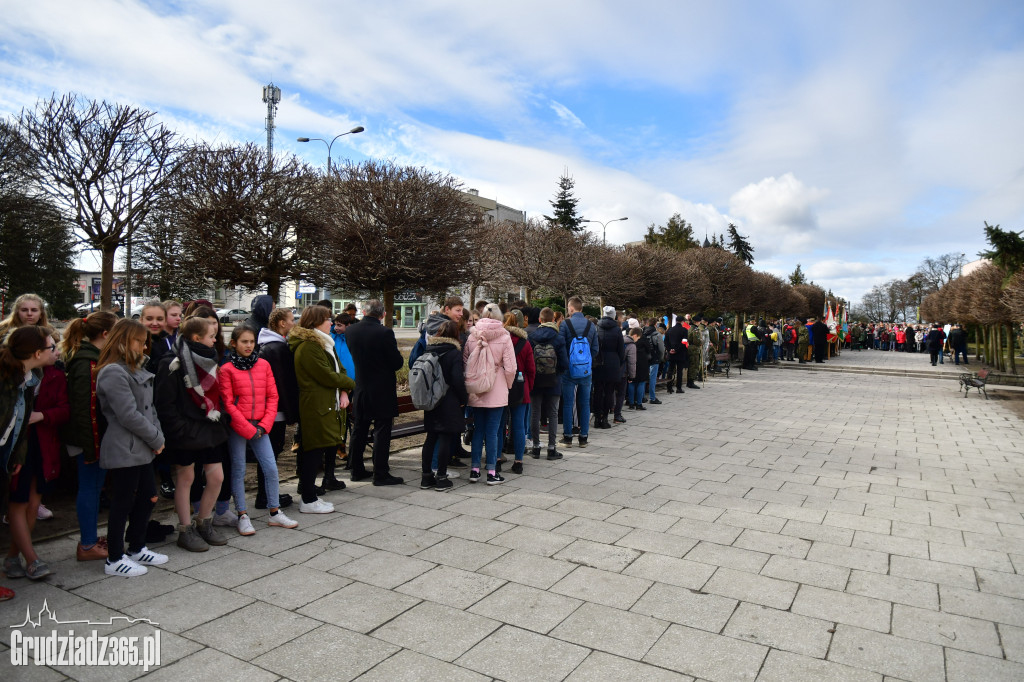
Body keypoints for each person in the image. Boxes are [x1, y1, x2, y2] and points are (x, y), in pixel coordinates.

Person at [92, 320, 167, 577]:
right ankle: (114, 558)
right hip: (124, 447)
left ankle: (136, 546)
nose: (144, 346)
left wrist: (157, 437)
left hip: (142, 446)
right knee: (122, 502)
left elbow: (150, 409)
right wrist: (156, 439)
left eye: (145, 341)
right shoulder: (113, 372)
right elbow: (128, 415)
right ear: (123, 340)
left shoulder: (135, 368)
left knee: (148, 496)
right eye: (138, 340)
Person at [156, 315, 231, 552]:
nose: (215, 340)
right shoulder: (172, 363)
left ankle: (204, 522)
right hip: (185, 432)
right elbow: (165, 404)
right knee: (186, 479)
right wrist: (181, 429)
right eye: (211, 336)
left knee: (216, 477)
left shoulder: (210, 359)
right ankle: (185, 529)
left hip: (209, 428)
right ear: (196, 338)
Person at [220, 326, 297, 533]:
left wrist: (264, 425)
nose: (248, 345)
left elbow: (273, 396)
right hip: (239, 426)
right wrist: (247, 428)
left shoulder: (263, 365)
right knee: (239, 469)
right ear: (234, 343)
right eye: (244, 341)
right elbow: (228, 404)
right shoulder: (227, 369)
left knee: (270, 467)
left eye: (252, 341)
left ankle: (274, 512)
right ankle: (242, 514)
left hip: (261, 426)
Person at [4, 326, 66, 582]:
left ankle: (16, 557)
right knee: (16, 503)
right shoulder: (9, 379)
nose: (58, 351)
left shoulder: (35, 377)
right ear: (37, 352)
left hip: (31, 448)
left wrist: (42, 416)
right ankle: (29, 559)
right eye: (53, 347)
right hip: (11, 451)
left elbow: (63, 409)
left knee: (30, 503)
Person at [61, 311, 118, 561]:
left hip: (93, 439)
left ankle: (90, 539)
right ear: (106, 334)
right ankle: (86, 545)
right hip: (89, 440)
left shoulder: (93, 358)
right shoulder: (88, 363)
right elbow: (86, 410)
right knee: (90, 488)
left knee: (93, 488)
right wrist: (92, 447)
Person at [289, 305, 356, 511]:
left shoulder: (324, 343)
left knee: (320, 448)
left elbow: (340, 368)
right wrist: (351, 384)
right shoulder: (310, 345)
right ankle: (308, 498)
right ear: (316, 321)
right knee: (313, 450)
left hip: (327, 402)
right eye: (328, 319)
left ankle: (311, 495)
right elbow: (326, 375)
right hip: (316, 405)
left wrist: (344, 390)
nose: (331, 323)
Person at [345, 300, 405, 486]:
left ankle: (356, 469)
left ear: (363, 311)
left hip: (361, 386)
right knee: (382, 430)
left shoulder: (351, 331)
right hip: (382, 389)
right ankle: (380, 473)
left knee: (359, 429)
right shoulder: (385, 332)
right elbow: (396, 363)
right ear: (383, 315)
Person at [463, 303, 516, 484]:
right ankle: (492, 471)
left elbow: (466, 362)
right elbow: (511, 367)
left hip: (477, 388)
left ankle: (475, 469)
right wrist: (506, 385)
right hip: (497, 386)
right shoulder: (504, 335)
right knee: (493, 432)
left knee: (478, 430)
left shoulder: (473, 335)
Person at [419, 320, 468, 490]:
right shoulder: (453, 353)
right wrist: (464, 399)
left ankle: (426, 477)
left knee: (431, 438)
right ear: (455, 335)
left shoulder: (429, 349)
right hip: (448, 400)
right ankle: (441, 476)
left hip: (431, 400)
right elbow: (457, 379)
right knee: (445, 438)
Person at [256, 307, 297, 510]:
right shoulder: (278, 348)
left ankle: (266, 494)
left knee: (270, 452)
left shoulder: (268, 345)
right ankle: (266, 496)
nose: (293, 323)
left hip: (269, 409)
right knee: (271, 451)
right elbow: (284, 383)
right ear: (281, 323)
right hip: (276, 410)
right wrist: (291, 412)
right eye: (291, 320)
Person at [559, 297, 599, 448]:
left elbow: (561, 347)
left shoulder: (565, 324)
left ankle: (568, 437)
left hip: (569, 370)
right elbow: (595, 349)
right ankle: (583, 438)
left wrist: (568, 363)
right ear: (581, 308)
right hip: (586, 370)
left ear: (571, 308)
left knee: (568, 404)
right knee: (585, 404)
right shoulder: (591, 325)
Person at [501, 312, 535, 474]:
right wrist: (529, 387)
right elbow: (531, 369)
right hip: (521, 387)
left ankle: (498, 457)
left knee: (500, 424)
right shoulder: (525, 343)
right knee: (519, 425)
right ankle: (518, 461)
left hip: (501, 387)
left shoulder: (500, 340)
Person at [593, 306, 624, 428]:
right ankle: (605, 418)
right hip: (612, 363)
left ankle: (597, 418)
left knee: (598, 391)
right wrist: (619, 362)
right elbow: (621, 350)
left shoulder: (596, 327)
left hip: (598, 362)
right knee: (609, 392)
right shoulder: (616, 330)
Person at [628, 325, 650, 410]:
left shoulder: (628, 341)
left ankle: (631, 403)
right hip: (642, 362)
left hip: (630, 362)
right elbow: (649, 349)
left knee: (631, 382)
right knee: (641, 382)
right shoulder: (644, 339)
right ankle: (639, 403)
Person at [643, 319, 664, 404]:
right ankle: (652, 397)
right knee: (652, 378)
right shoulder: (657, 334)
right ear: (656, 324)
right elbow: (661, 349)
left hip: (644, 358)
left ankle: (642, 397)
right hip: (654, 358)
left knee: (644, 377)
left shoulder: (643, 333)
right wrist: (661, 358)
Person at [666, 316, 690, 388]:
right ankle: (678, 387)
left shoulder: (669, 330)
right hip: (680, 353)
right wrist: (677, 350)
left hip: (671, 353)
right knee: (679, 371)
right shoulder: (684, 330)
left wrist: (670, 349)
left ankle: (669, 387)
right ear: (682, 321)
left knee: (670, 370)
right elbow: (684, 342)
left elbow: (666, 342)